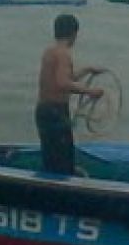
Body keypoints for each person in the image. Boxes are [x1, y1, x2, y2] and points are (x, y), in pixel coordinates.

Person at [35, 14, 103, 174]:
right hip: (55, 112)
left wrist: (87, 70)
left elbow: (62, 79)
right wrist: (90, 92)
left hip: (44, 110)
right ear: (74, 33)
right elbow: (62, 83)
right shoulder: (63, 54)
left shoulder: (50, 51)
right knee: (62, 162)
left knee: (51, 158)